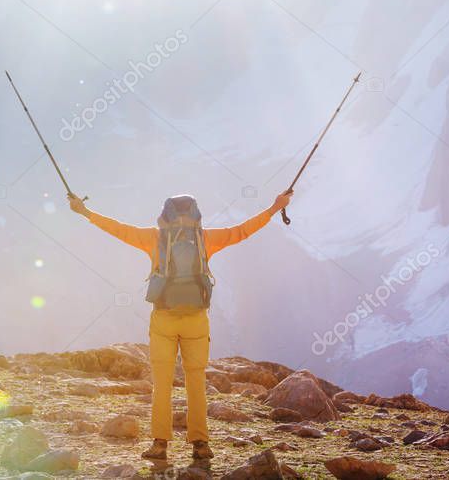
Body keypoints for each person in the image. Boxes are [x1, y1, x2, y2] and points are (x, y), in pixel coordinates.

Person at [67, 189, 292, 461]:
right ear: (195, 216)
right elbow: (242, 231)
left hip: (163, 317)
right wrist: (274, 208)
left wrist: (85, 212)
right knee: (195, 381)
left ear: (166, 215)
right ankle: (200, 444)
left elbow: (119, 230)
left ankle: (160, 445)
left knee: (161, 383)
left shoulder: (154, 238)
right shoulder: (204, 239)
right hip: (197, 319)